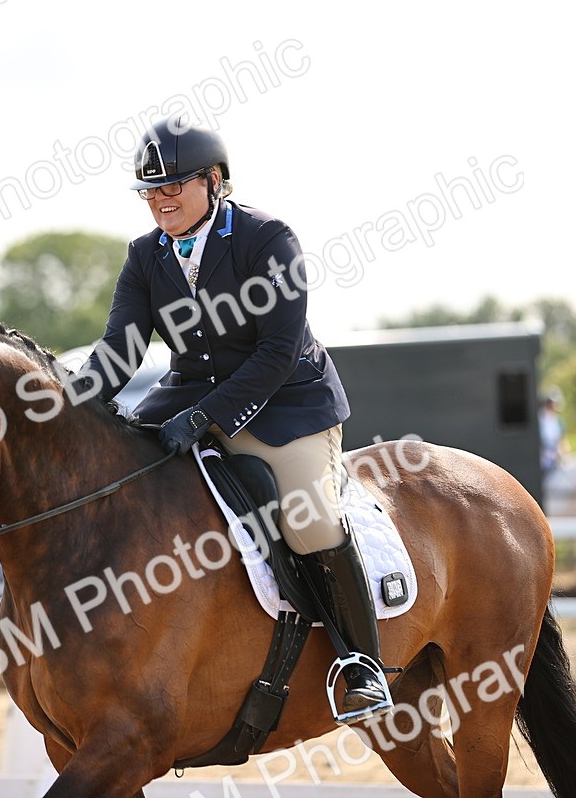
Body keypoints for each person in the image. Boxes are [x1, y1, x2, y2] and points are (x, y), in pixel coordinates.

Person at [78, 115, 390, 721]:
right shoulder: (146, 256)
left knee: (308, 519)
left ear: (214, 180)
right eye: (150, 191)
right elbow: (120, 350)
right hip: (190, 392)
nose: (160, 200)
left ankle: (363, 665)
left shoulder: (266, 237)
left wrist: (202, 418)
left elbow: (276, 351)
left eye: (173, 186)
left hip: (287, 402)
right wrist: (64, 405)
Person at [538, 386, 568, 481]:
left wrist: (563, 454)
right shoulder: (540, 419)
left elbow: (562, 440)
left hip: (555, 457)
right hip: (543, 458)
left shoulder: (558, 422)